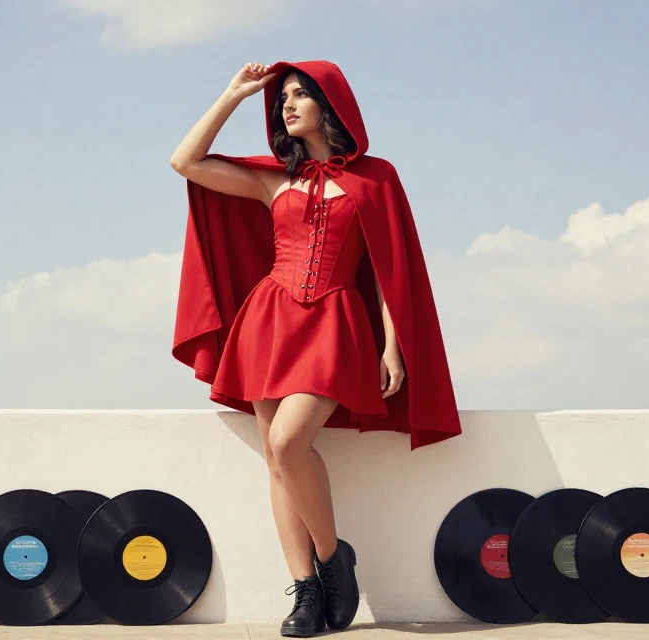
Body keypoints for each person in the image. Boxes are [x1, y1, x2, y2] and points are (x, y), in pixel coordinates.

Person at [170, 60, 461, 637]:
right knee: (278, 461)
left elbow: (390, 270)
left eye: (301, 94)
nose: (287, 103)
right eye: (283, 98)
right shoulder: (273, 180)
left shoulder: (377, 178)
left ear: (332, 106)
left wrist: (394, 349)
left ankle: (334, 562)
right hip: (269, 319)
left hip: (336, 320)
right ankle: (306, 590)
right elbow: (185, 162)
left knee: (287, 441)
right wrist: (232, 95)